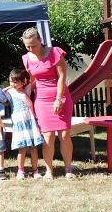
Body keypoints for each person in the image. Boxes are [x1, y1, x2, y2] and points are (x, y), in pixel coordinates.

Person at [21, 27, 74, 180]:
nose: (31, 49)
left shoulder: (55, 52)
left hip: (60, 97)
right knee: (48, 136)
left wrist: (59, 99)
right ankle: (49, 171)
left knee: (64, 135)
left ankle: (68, 169)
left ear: (40, 40)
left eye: (34, 45)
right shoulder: (26, 58)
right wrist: (19, 89)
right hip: (42, 100)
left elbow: (62, 77)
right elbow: (32, 80)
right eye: (27, 46)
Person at [4, 69, 44, 180]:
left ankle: (35, 170)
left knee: (33, 148)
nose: (13, 84)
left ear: (23, 82)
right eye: (11, 81)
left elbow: (36, 81)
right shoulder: (8, 92)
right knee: (21, 149)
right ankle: (20, 171)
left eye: (16, 82)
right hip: (19, 123)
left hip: (30, 121)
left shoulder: (27, 89)